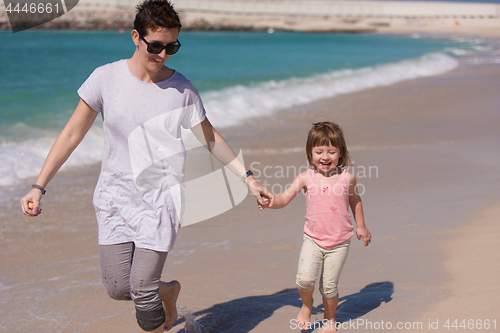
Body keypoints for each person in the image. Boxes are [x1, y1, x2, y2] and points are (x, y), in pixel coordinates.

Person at [20, 1, 273, 332]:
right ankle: (168, 292)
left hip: (160, 200)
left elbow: (210, 139)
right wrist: (39, 186)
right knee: (118, 288)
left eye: (172, 47)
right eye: (156, 46)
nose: (163, 54)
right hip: (114, 196)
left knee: (141, 288)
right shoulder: (105, 78)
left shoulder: (182, 90)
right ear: (136, 37)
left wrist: (248, 179)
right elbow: (71, 134)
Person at [259, 122, 371, 332]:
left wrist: (361, 226)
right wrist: (271, 201)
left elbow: (355, 200)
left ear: (341, 153)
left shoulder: (347, 179)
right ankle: (307, 305)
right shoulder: (305, 178)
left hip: (339, 242)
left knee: (328, 287)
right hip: (312, 239)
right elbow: (284, 198)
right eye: (319, 151)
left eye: (331, 151)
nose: (325, 157)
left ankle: (330, 316)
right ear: (310, 153)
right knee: (304, 281)